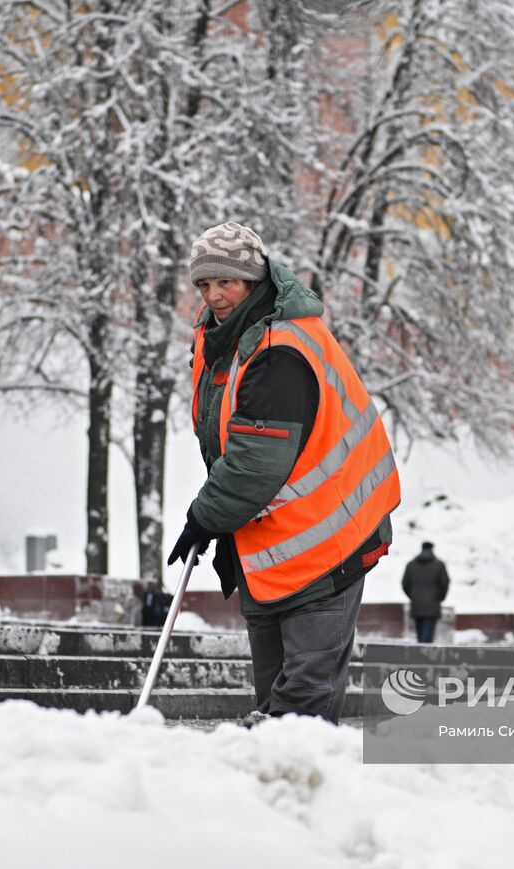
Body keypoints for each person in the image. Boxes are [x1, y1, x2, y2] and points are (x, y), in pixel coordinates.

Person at [168, 222, 400, 726]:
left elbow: (257, 460)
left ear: (253, 281)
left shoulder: (278, 349)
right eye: (204, 285)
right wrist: (216, 518)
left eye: (225, 283)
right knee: (274, 703)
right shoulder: (224, 342)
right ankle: (274, 795)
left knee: (301, 707)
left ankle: (311, 794)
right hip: (274, 544)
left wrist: (205, 517)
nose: (214, 296)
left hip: (328, 539)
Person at [401, 541, 450, 643]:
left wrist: (413, 596)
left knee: (420, 636)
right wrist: (439, 597)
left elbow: (405, 583)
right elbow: (445, 583)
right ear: (432, 549)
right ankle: (424, 656)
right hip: (432, 604)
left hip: (417, 604)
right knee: (427, 637)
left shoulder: (411, 565)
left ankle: (419, 654)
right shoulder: (439, 565)